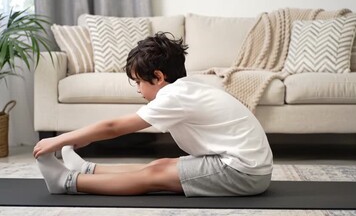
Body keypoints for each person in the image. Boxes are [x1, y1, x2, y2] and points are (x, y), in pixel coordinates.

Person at [33, 32, 273, 197]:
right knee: (160, 165)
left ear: (158, 77)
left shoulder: (174, 96)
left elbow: (114, 127)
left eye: (138, 82)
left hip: (244, 173)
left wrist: (60, 139)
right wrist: (82, 138)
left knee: (155, 174)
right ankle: (88, 170)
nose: (138, 89)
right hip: (245, 166)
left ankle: (65, 182)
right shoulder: (186, 88)